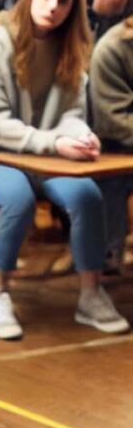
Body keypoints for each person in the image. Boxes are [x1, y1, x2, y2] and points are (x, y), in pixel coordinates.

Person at [0, 0, 128, 338]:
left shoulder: (71, 47)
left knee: (87, 195)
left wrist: (82, 135)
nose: (54, 6)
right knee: (18, 199)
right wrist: (54, 142)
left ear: (73, 7)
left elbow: (73, 114)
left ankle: (90, 295)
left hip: (45, 156)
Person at [88, 15, 133, 275]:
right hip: (114, 148)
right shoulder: (113, 48)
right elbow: (113, 121)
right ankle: (108, 253)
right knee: (112, 181)